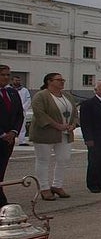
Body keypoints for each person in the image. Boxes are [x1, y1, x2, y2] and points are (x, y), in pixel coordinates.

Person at [30, 72, 78, 200]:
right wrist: (56, 125)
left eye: (63, 80)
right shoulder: (41, 96)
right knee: (43, 159)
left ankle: (57, 185)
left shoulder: (67, 96)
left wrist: (73, 124)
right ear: (49, 81)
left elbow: (74, 112)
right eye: (58, 80)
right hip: (45, 133)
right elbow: (40, 113)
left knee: (64, 159)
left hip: (65, 133)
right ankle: (44, 188)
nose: (62, 82)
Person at [0, 64, 23, 206]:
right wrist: (2, 133)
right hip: (1, 136)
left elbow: (19, 114)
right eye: (3, 75)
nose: (6, 77)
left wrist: (14, 132)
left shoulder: (13, 93)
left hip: (9, 139)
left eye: (8, 75)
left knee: (2, 167)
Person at [13, 74, 32, 146]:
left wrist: (23, 108)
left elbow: (28, 100)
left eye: (18, 80)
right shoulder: (9, 89)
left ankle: (21, 141)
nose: (17, 81)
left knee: (22, 126)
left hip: (21, 111)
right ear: (13, 81)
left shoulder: (24, 90)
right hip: (10, 111)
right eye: (16, 80)